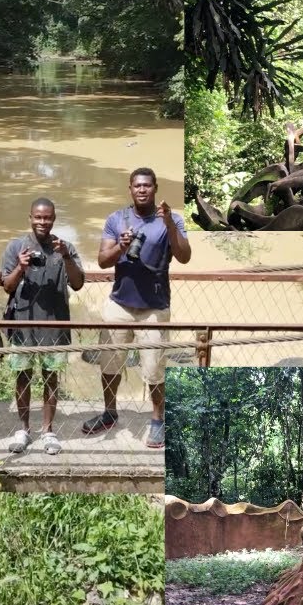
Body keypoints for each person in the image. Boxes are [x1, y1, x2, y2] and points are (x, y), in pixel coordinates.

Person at [90, 168, 191, 449]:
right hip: (119, 303)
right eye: (137, 186)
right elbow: (101, 261)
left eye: (147, 185)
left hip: (154, 308)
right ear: (130, 189)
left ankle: (158, 421)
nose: (142, 190)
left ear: (156, 187)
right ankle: (110, 412)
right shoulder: (116, 219)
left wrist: (170, 223)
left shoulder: (171, 220)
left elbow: (184, 256)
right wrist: (121, 247)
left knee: (154, 370)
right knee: (109, 365)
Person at [1, 197, 84, 455]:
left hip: (54, 324)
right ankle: (24, 429)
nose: (42, 222)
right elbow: (6, 285)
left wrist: (66, 257)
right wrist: (20, 266)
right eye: (38, 217)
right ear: (30, 218)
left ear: (54, 219)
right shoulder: (16, 246)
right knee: (22, 377)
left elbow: (79, 283)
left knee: (51, 378)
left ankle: (48, 431)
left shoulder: (65, 247)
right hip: (23, 323)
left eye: (47, 217)